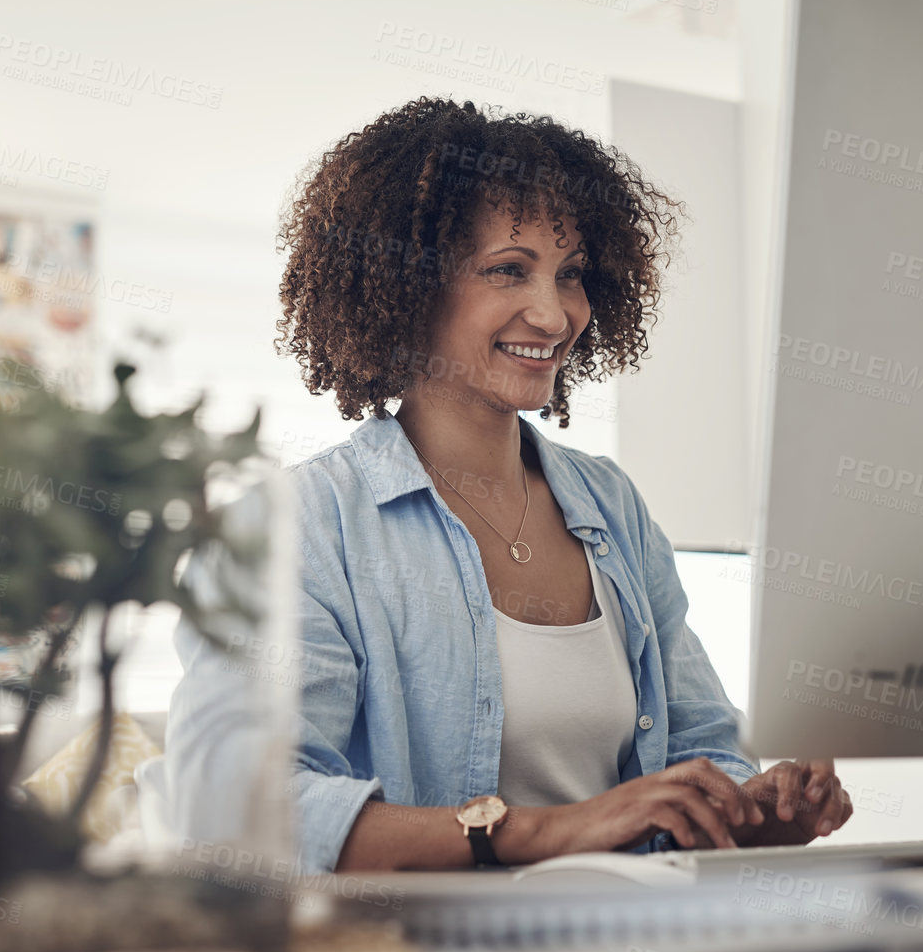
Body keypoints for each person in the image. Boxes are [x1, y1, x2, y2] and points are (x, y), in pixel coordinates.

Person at [168, 97, 852, 874]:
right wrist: (534, 831)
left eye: (572, 276)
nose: (554, 313)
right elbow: (236, 806)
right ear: (405, 284)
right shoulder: (296, 525)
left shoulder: (608, 505)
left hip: (628, 947)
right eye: (507, 271)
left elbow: (698, 748)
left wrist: (750, 808)